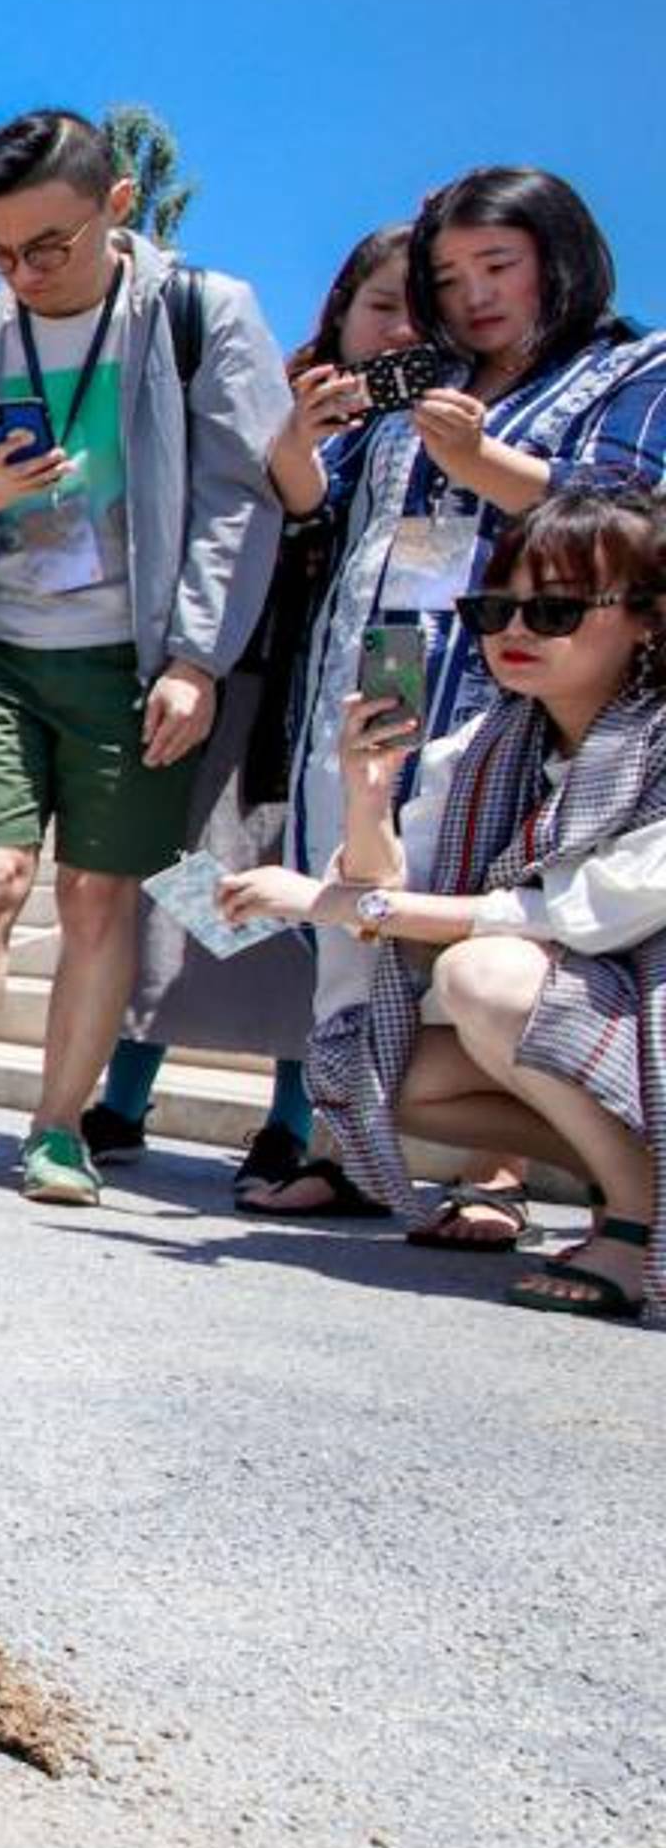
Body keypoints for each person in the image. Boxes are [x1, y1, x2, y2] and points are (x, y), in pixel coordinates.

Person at [0, 108, 292, 1206]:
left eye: (46, 247)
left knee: (101, 896)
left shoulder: (206, 315)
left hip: (136, 662)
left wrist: (196, 658)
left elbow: (236, 503)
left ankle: (59, 1129)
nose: (22, 273)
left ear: (117, 208)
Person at [273, 168, 666, 1251]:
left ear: (562, 256)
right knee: (355, 902)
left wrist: (481, 462)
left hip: (518, 706)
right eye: (449, 276)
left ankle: (500, 1174)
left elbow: (629, 523)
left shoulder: (630, 369)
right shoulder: (420, 376)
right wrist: (301, 444)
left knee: (478, 922)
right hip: (377, 673)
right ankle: (340, 1148)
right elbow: (327, 508)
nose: (475, 295)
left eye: (500, 266)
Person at [235, 481, 666, 1320]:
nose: (513, 631)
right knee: (397, 1073)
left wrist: (332, 904)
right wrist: (367, 794)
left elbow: (578, 913)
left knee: (487, 978)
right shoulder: (483, 747)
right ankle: (645, 1180)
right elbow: (400, 888)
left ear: (649, 616)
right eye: (494, 608)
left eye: (556, 609)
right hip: (610, 1022)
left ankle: (635, 1223)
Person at [96, 228, 418, 1208]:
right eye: (380, 305)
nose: (397, 328)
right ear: (340, 311)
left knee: (314, 910)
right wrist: (295, 444)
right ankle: (124, 1094)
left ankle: (294, 1122)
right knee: (186, 887)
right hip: (244, 683)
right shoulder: (278, 399)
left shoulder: (456, 420)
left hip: (361, 695)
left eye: (419, 309)